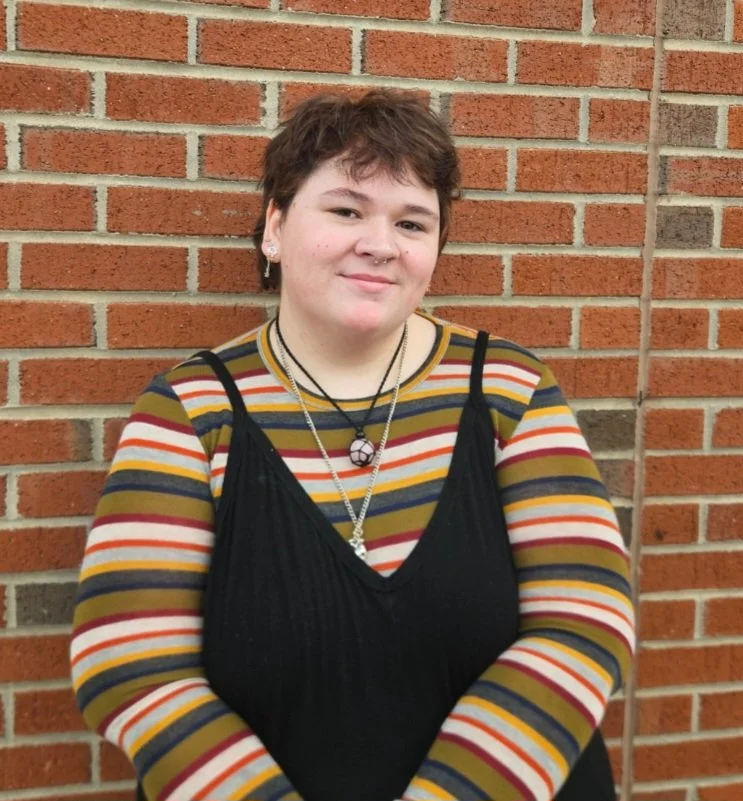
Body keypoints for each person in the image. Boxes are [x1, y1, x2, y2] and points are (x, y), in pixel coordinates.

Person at [71, 90, 635, 801]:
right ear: (275, 226)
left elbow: (586, 624)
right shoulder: (192, 410)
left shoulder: (507, 390)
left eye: (411, 222)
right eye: (345, 210)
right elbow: (127, 665)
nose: (380, 243)